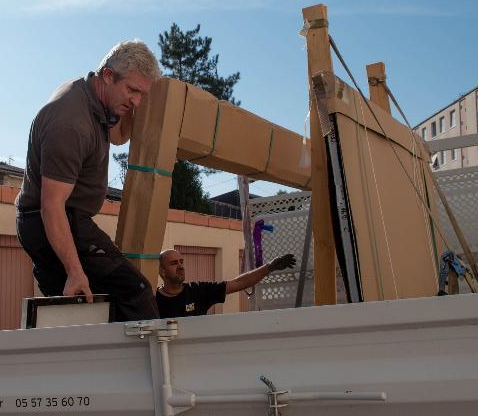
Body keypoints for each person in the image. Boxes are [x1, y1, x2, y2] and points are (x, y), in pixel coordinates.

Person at [16, 40, 162, 321]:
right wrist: (74, 270)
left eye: (142, 94)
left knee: (89, 310)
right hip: (52, 219)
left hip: (62, 218)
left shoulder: (96, 99)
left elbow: (118, 136)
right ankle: (146, 363)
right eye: (132, 90)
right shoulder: (70, 122)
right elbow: (51, 206)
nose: (136, 101)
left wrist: (137, 104)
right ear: (108, 75)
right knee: (136, 293)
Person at [156, 249, 296, 318]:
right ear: (162, 272)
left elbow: (238, 283)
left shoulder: (198, 290)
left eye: (181, 262)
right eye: (174, 263)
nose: (180, 266)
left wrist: (270, 267)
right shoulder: (152, 300)